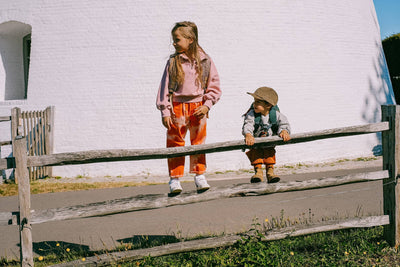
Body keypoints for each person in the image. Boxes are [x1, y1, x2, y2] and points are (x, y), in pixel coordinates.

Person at [156, 21, 221, 194]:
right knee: (175, 143)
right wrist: (165, 111)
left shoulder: (205, 61)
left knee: (198, 143)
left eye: (177, 40)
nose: (174, 43)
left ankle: (199, 175)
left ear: (190, 39)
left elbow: (214, 86)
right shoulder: (172, 62)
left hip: (198, 107)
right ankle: (175, 179)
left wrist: (207, 105)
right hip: (176, 107)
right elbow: (164, 87)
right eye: (173, 40)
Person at [242, 86, 291, 183]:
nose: (254, 104)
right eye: (254, 101)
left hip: (269, 141)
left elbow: (284, 123)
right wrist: (248, 134)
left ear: (268, 105)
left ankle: (270, 172)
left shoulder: (275, 115)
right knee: (256, 155)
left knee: (269, 154)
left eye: (258, 102)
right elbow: (248, 124)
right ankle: (258, 172)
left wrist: (284, 131)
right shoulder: (252, 114)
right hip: (255, 142)